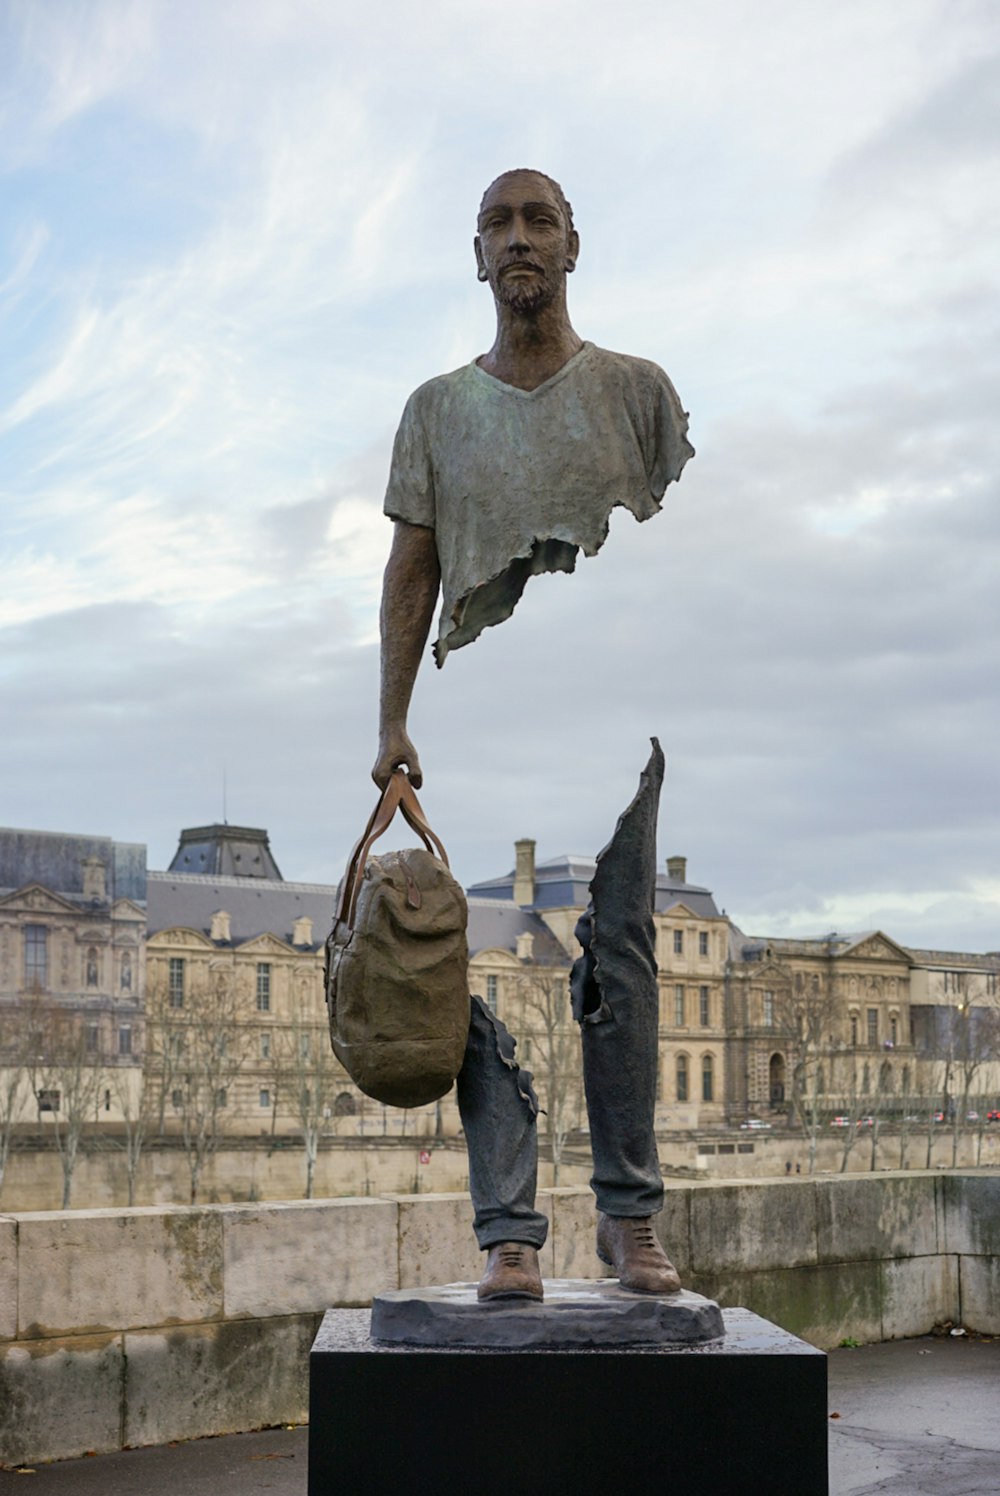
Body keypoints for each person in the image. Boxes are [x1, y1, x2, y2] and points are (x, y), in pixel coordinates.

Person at [373, 169, 694, 1301]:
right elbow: (410, 570)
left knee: (623, 960)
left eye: (538, 220)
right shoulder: (435, 410)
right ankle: (510, 1228)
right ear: (477, 257)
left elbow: (682, 560)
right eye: (500, 224)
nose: (519, 239)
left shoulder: (640, 394)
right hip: (482, 703)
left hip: (617, 717)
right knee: (474, 975)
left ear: (571, 246)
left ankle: (627, 1214)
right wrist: (392, 722)